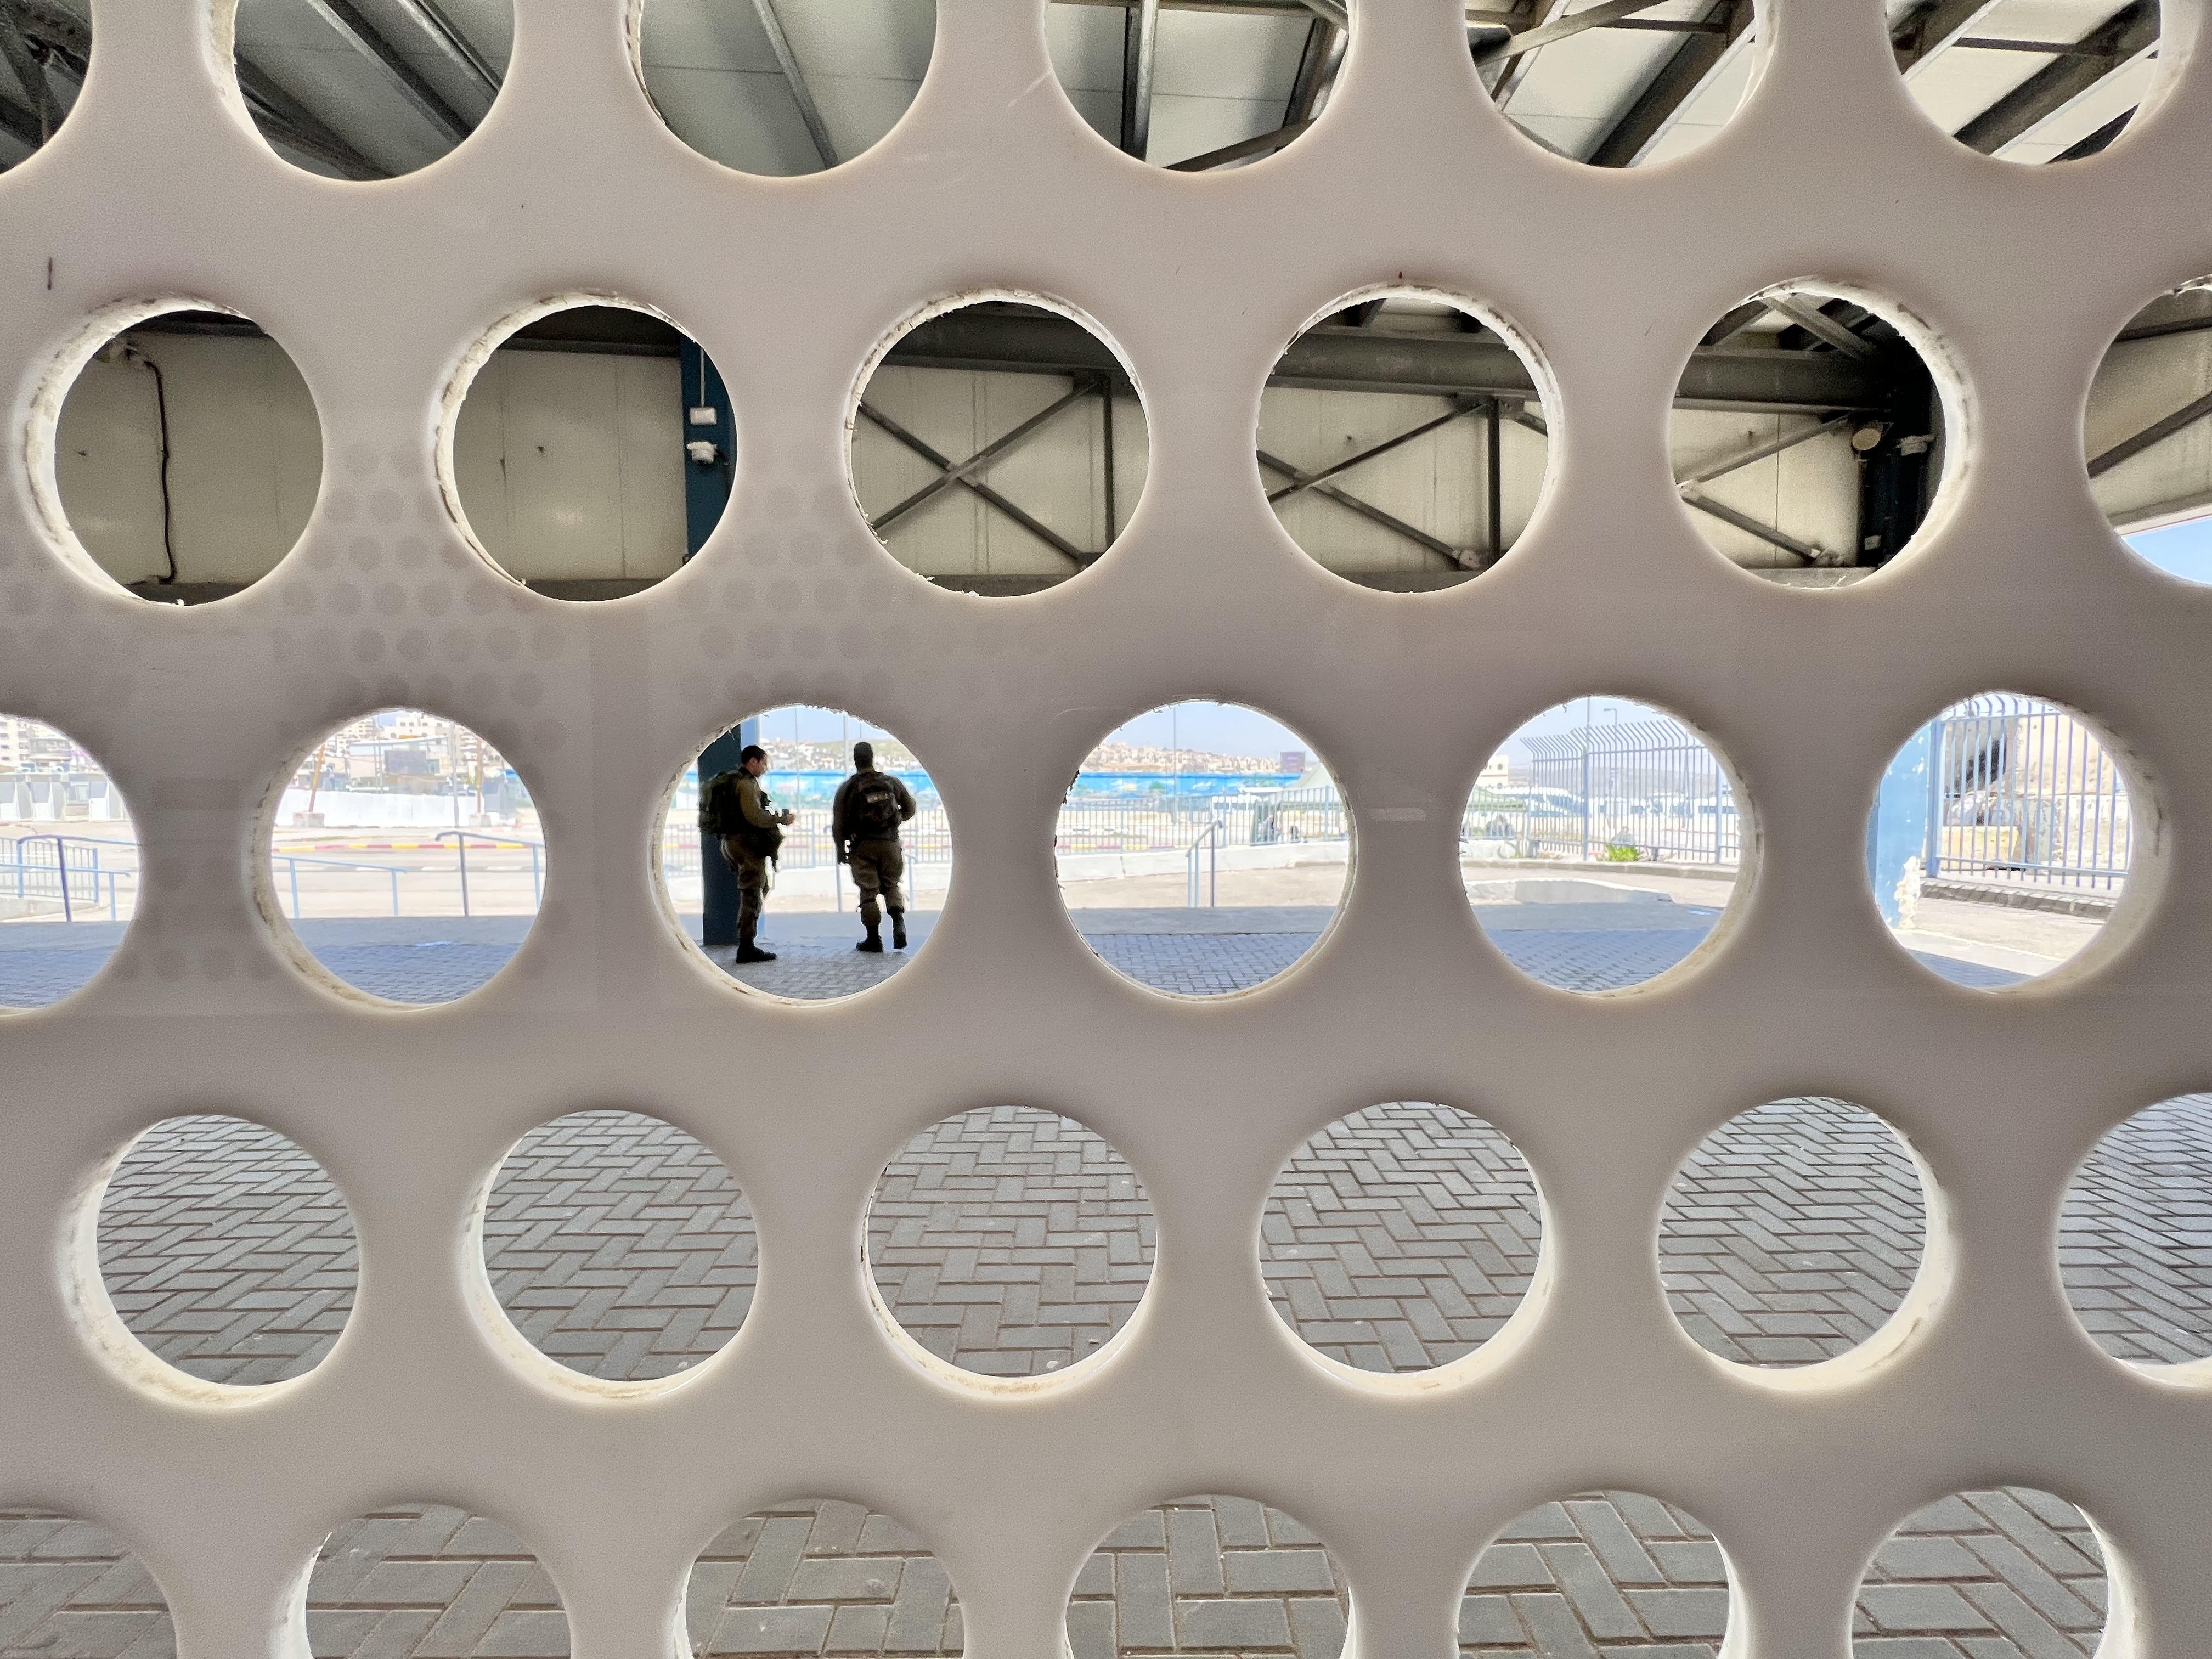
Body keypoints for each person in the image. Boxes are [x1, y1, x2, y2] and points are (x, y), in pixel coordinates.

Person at [832, 741, 918, 952]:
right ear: (872, 758)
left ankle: (873, 939)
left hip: (863, 847)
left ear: (855, 760)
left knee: (868, 892)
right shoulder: (891, 782)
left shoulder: (847, 788)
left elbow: (839, 825)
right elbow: (910, 808)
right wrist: (894, 822)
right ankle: (898, 924)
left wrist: (840, 850)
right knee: (891, 885)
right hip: (891, 845)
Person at [719, 744, 794, 963]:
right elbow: (756, 817)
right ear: (753, 762)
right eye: (764, 763)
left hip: (732, 843)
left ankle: (747, 939)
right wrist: (781, 819)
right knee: (752, 893)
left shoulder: (736, 782)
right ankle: (746, 947)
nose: (765, 768)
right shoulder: (747, 785)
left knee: (758, 888)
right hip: (746, 845)